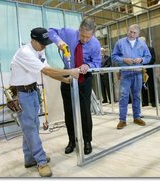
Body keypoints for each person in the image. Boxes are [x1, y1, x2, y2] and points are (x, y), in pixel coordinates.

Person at [9, 27, 80, 177]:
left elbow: (45, 69)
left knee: (31, 127)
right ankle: (41, 161)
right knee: (30, 128)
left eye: (45, 43)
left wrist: (64, 80)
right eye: (41, 43)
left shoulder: (40, 51)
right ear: (33, 40)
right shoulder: (25, 53)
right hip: (21, 94)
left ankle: (29, 158)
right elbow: (47, 71)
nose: (44, 46)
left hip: (33, 91)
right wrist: (70, 71)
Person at [48, 18, 101, 155]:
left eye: (87, 37)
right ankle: (72, 141)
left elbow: (97, 63)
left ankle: (87, 141)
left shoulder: (95, 44)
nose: (84, 39)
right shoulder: (69, 33)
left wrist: (88, 65)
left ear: (93, 34)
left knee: (85, 111)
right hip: (67, 74)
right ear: (79, 30)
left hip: (84, 77)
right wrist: (59, 41)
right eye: (82, 35)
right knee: (69, 111)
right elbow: (50, 31)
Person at [112, 24, 151, 130]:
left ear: (138, 34)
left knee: (137, 96)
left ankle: (137, 117)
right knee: (124, 96)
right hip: (126, 73)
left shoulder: (142, 44)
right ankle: (122, 120)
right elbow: (114, 56)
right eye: (130, 31)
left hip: (138, 73)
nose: (132, 34)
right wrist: (123, 60)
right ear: (127, 31)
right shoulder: (120, 43)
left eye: (134, 33)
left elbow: (148, 57)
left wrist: (141, 60)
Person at [140, 37, 156, 107]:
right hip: (142, 70)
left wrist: (147, 66)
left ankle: (153, 101)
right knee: (143, 85)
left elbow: (153, 59)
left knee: (151, 85)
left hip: (149, 69)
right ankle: (145, 101)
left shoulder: (151, 49)